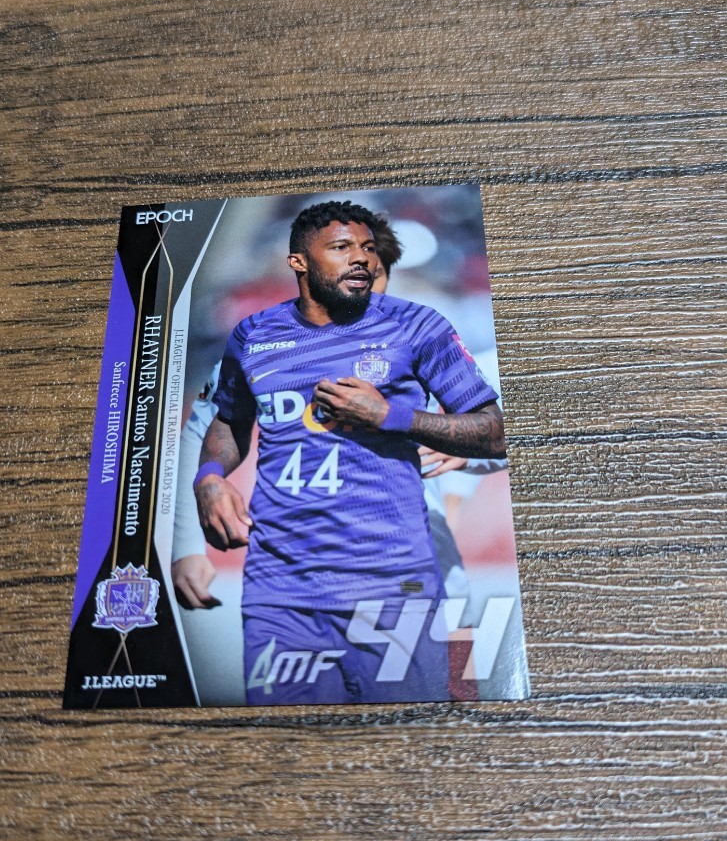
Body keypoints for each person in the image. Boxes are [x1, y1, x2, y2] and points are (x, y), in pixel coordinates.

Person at [193, 200, 506, 705]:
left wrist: (390, 416)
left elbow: (494, 432)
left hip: (391, 583)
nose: (360, 258)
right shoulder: (253, 336)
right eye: (342, 247)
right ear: (298, 262)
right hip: (281, 589)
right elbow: (228, 421)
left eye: (366, 249)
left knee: (409, 737)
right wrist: (209, 477)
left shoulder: (418, 327)